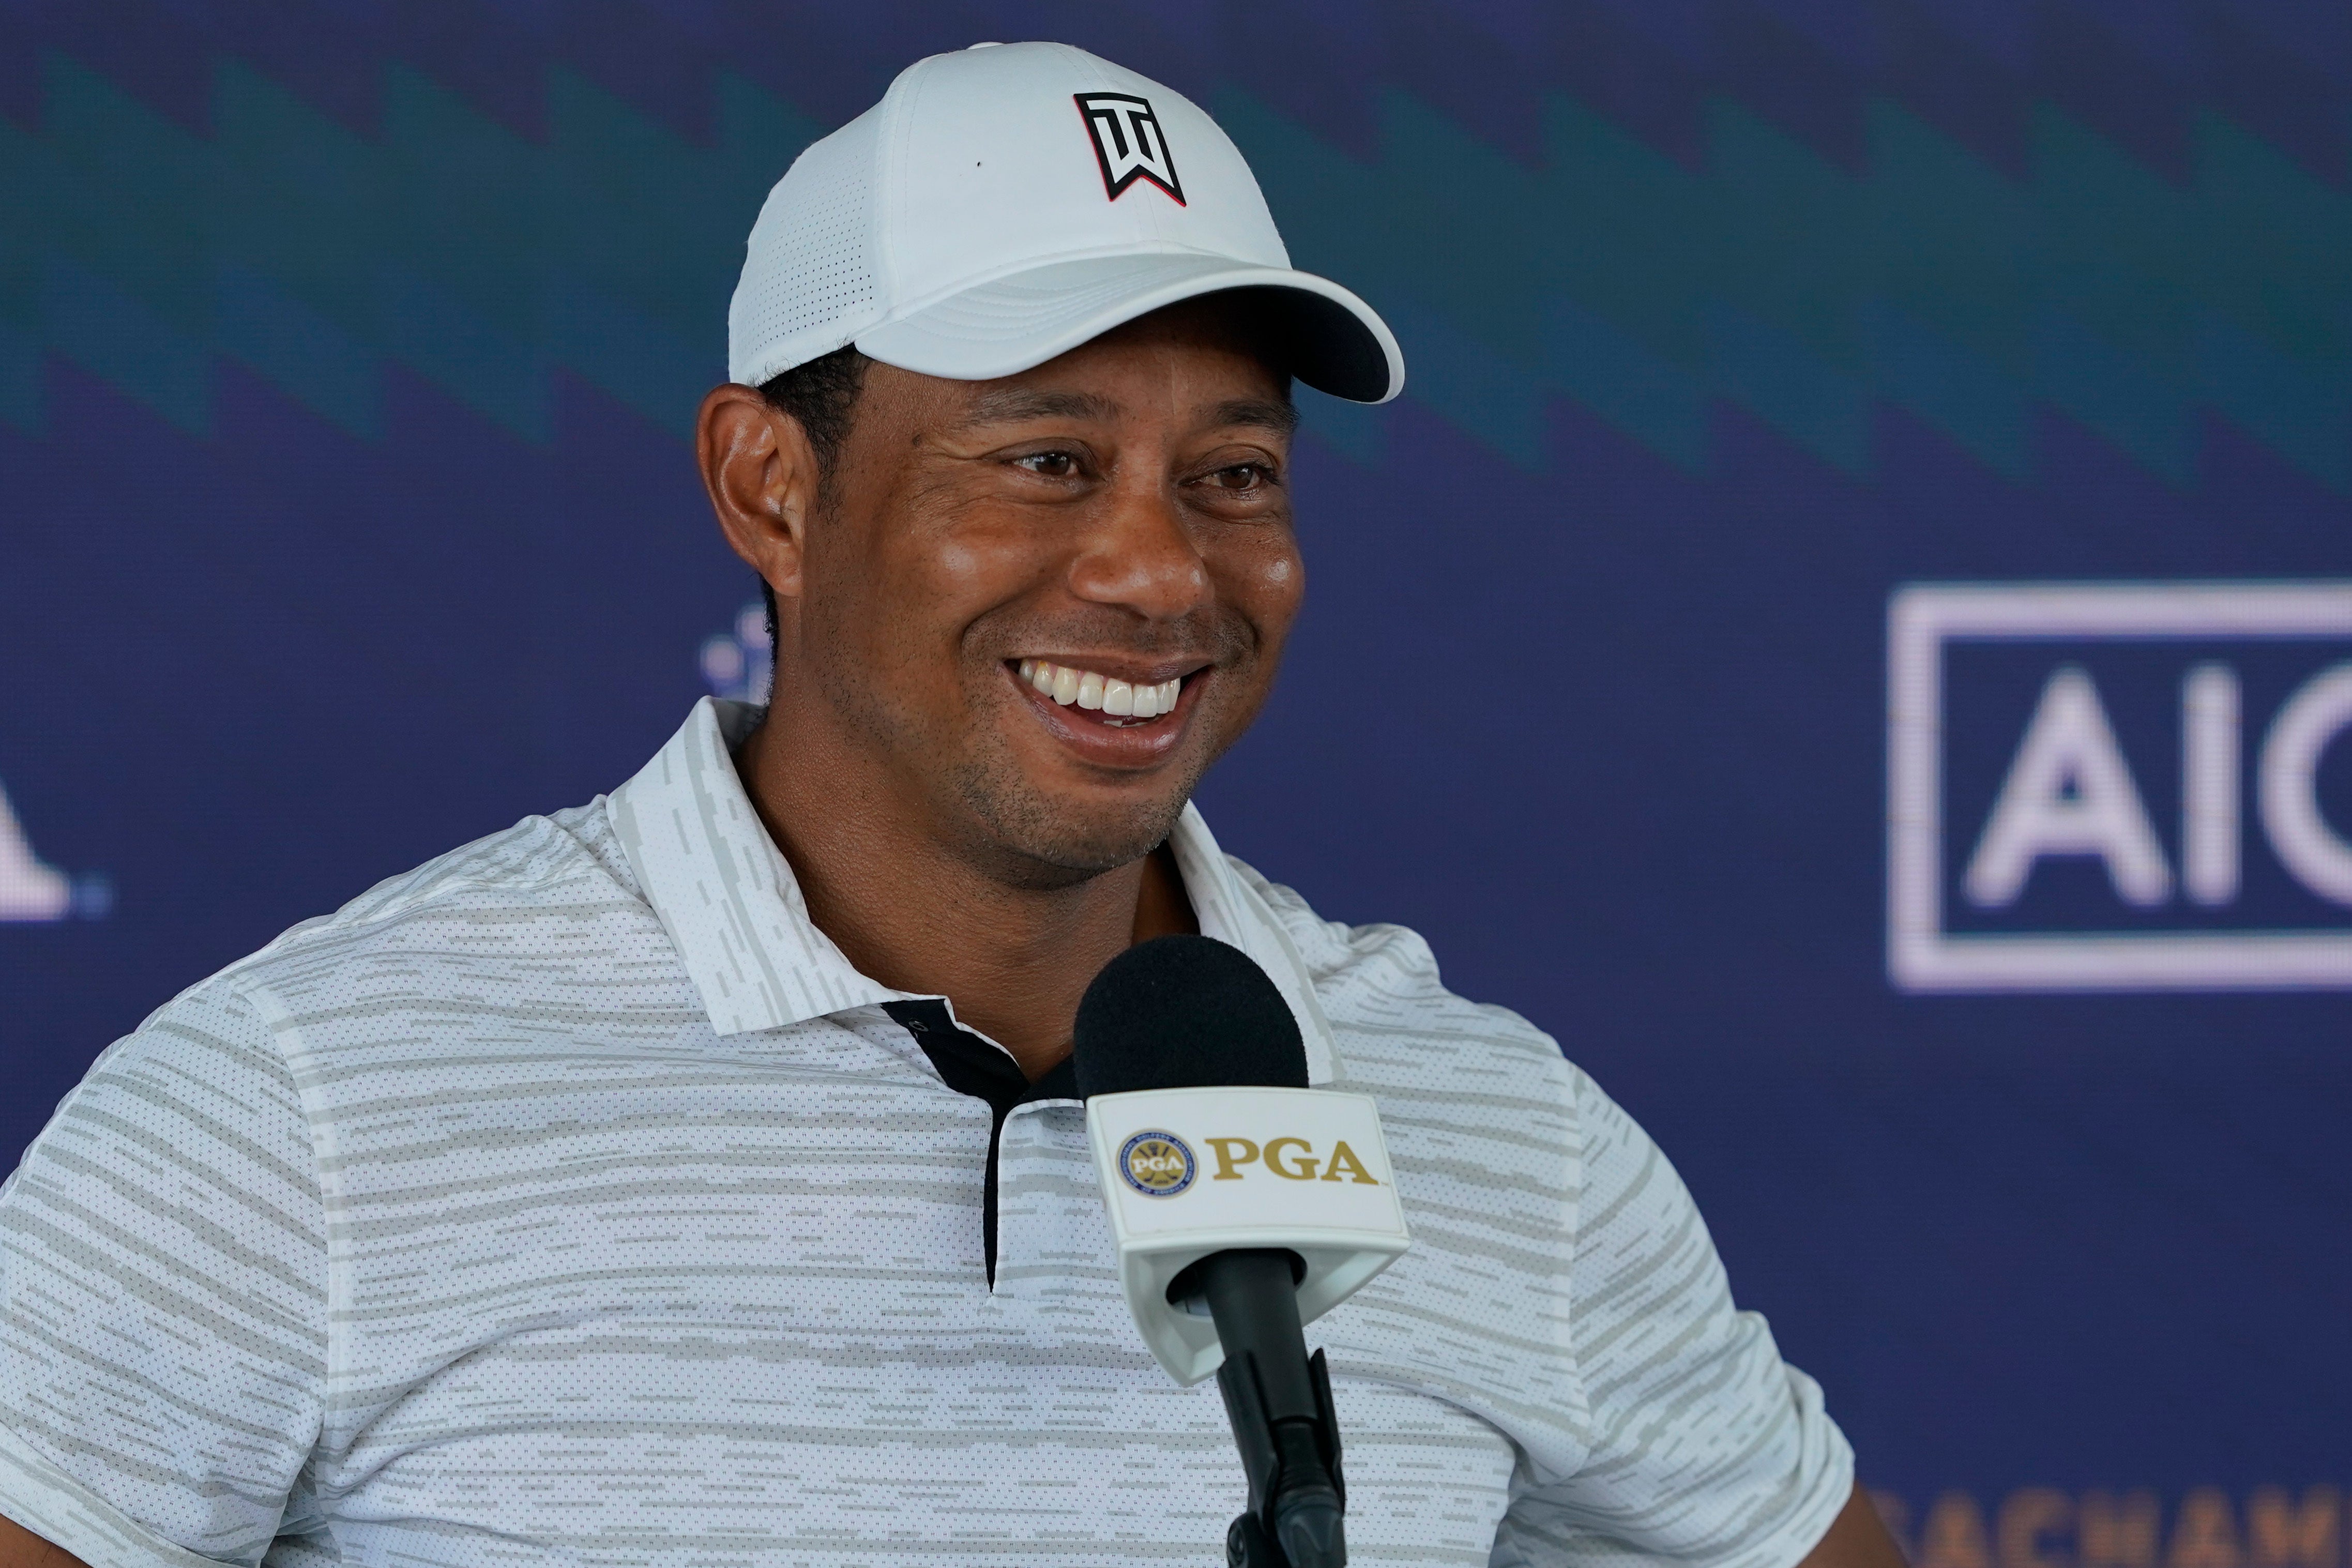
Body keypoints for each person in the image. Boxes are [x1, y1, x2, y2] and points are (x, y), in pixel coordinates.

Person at [0, 42, 1902, 1568]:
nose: (1164, 572)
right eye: (1049, 457)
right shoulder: (311, 1103)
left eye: (1235, 473)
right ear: (769, 489)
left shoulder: (1496, 1131)